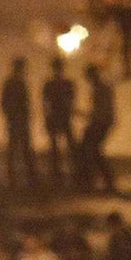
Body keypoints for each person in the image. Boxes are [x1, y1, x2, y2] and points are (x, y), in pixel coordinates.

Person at [76, 65, 116, 195]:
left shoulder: (100, 89)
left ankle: (92, 180)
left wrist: (83, 115)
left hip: (101, 123)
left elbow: (99, 111)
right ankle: (101, 180)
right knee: (92, 150)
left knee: (90, 149)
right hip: (102, 122)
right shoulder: (101, 88)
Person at [0, 57, 36, 189]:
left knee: (15, 148)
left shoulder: (12, 83)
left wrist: (10, 115)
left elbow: (3, 103)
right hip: (18, 120)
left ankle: (14, 177)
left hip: (15, 120)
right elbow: (23, 103)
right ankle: (28, 177)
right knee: (22, 148)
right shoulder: (17, 83)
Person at [41, 58, 77, 186]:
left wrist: (46, 117)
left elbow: (45, 103)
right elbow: (71, 100)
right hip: (63, 117)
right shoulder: (67, 83)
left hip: (56, 117)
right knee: (68, 144)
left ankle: (57, 170)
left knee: (55, 145)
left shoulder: (49, 84)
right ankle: (74, 168)